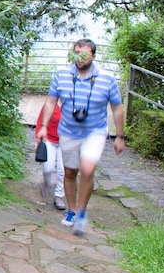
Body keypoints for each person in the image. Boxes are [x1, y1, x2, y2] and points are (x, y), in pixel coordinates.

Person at [35, 38, 125, 236]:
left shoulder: (106, 79)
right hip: (67, 132)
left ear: (93, 55)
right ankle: (72, 210)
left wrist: (120, 135)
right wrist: (42, 127)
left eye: (84, 54)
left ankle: (82, 212)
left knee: (87, 168)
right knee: (69, 173)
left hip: (95, 131)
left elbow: (117, 107)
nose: (80, 58)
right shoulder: (62, 75)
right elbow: (51, 101)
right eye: (76, 53)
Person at [35, 102, 66, 210]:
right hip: (49, 139)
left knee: (63, 170)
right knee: (48, 168)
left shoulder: (73, 103)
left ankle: (59, 196)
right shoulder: (51, 103)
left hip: (66, 142)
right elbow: (40, 121)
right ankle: (47, 183)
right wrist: (38, 139)